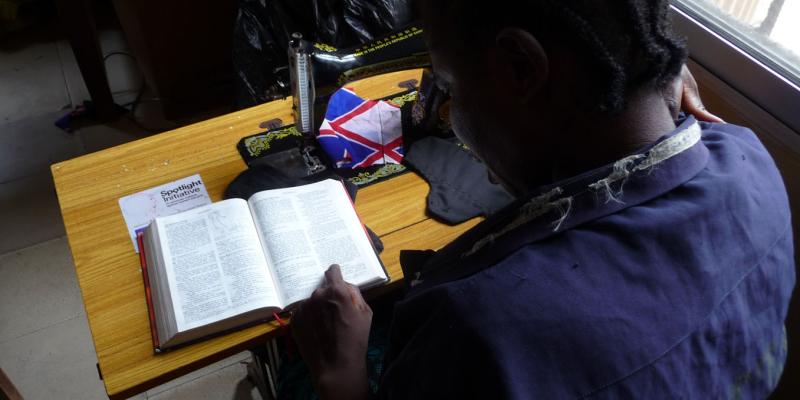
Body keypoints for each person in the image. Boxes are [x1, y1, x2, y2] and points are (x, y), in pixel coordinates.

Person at [290, 0, 795, 398]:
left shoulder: (476, 328)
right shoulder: (753, 164)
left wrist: (343, 381)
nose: (451, 116)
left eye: (450, 86)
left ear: (521, 68)